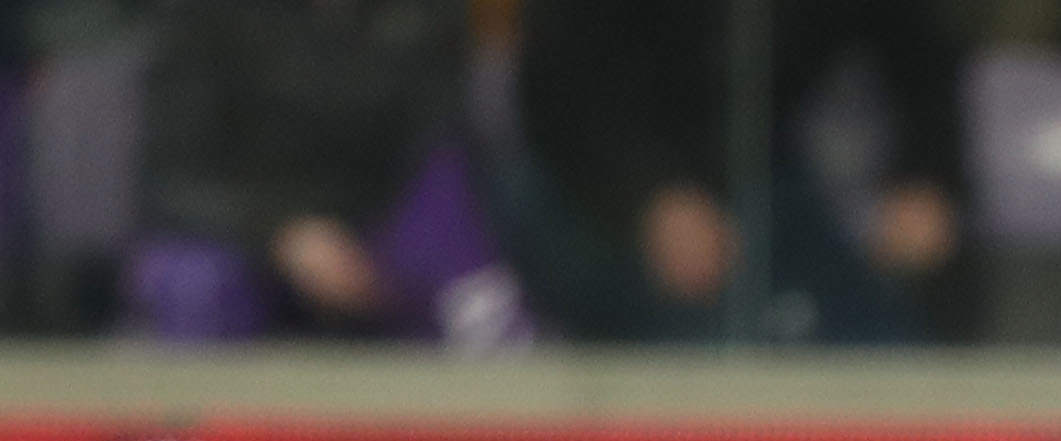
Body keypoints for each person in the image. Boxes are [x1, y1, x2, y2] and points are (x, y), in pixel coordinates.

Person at [510, 0, 971, 343]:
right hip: (590, 189)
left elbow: (925, 56)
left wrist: (927, 181)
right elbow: (558, 87)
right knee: (699, 362)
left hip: (763, 184)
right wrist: (651, 196)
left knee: (883, 350)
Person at [128, 0, 529, 347]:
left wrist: (375, 245)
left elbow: (435, 149)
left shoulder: (424, 14)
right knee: (195, 282)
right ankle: (203, 435)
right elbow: (172, 175)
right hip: (236, 229)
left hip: (371, 225)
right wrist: (283, 234)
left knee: (461, 274)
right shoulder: (205, 14)